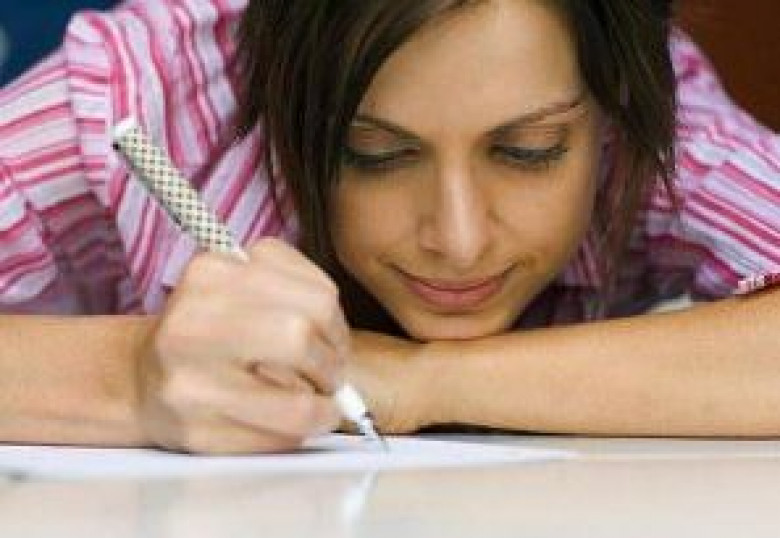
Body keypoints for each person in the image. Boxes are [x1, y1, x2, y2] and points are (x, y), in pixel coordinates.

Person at [0, 0, 778, 454]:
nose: (459, 240)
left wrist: (417, 379)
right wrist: (132, 378)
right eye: (375, 154)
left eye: (528, 151)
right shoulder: (138, 93)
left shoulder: (648, 122)